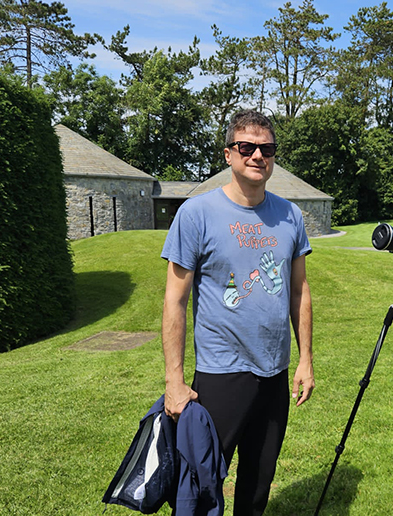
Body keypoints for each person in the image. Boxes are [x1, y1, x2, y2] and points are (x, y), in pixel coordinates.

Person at [161, 109, 315, 516]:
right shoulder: (196, 214)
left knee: (258, 482)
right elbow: (174, 299)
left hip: (274, 373)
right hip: (220, 373)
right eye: (246, 147)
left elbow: (300, 291)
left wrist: (305, 360)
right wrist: (174, 381)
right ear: (229, 154)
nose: (256, 156)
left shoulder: (290, 216)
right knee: (201, 481)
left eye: (266, 149)